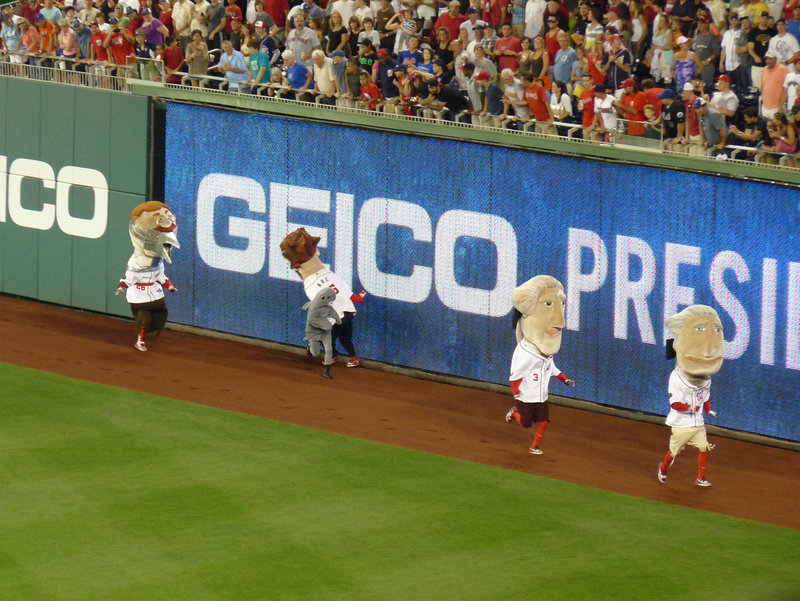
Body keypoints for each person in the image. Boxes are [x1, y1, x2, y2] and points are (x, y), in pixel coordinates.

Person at [504, 275, 575, 456]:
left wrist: (565, 380)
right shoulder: (525, 353)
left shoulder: (545, 353)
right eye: (548, 305)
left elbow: (552, 369)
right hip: (526, 398)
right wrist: (517, 395)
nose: (561, 322)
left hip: (542, 396)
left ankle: (534, 446)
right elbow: (515, 377)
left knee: (544, 421)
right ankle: (514, 413)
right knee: (526, 424)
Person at [657, 305, 724, 488]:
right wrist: (690, 408)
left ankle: (700, 477)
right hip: (681, 424)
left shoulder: (705, 377)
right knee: (674, 452)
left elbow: (705, 396)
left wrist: (709, 410)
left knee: (703, 448)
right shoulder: (676, 378)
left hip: (698, 423)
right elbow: (674, 404)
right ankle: (663, 469)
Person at [280, 228, 366, 369]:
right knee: (345, 338)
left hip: (338, 315)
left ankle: (332, 356)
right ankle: (353, 358)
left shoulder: (311, 287)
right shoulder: (332, 276)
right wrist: (361, 295)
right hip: (349, 313)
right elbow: (356, 299)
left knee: (325, 337)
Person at [116, 201, 180, 353]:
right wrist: (121, 287)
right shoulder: (136, 263)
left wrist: (169, 286)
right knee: (146, 320)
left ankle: (149, 333)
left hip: (155, 292)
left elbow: (161, 276)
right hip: (139, 294)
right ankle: (141, 340)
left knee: (161, 313)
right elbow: (128, 279)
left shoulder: (158, 262)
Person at [748, 10, 777, 90]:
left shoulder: (773, 31)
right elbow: (750, 48)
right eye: (762, 17)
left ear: (768, 19)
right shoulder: (753, 31)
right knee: (757, 88)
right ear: (759, 18)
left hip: (770, 65)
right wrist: (755, 57)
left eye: (766, 18)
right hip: (757, 65)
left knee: (770, 88)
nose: (764, 19)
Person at [761, 49, 788, 117]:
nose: (768, 61)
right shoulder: (765, 69)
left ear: (775, 59)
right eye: (766, 59)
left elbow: (785, 89)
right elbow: (763, 86)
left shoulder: (783, 69)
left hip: (776, 106)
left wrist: (781, 105)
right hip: (765, 105)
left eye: (770, 59)